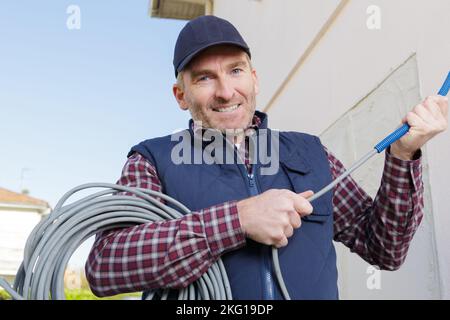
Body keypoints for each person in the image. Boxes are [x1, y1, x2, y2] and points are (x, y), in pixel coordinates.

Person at [85, 15, 448, 300]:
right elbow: (105, 265)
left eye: (236, 71)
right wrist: (237, 221)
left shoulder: (311, 152)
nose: (226, 91)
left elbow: (385, 248)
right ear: (181, 95)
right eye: (205, 78)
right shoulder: (152, 160)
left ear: (254, 79)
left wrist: (403, 154)